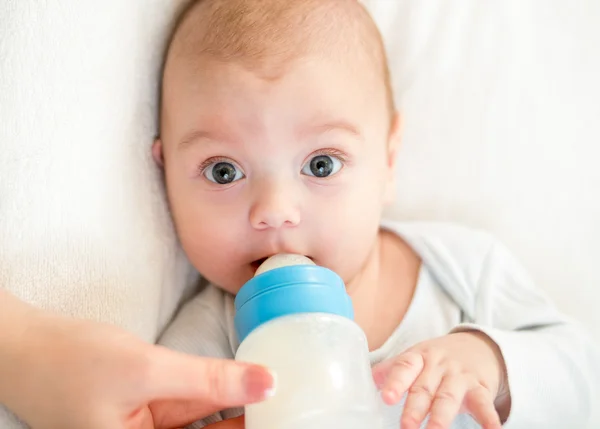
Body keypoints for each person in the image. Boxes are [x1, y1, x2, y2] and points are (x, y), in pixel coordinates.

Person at [153, 0, 600, 429]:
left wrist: (491, 364)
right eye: (224, 171)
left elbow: (584, 380)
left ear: (388, 162)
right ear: (165, 171)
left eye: (321, 165)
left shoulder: (461, 269)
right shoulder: (200, 356)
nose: (275, 211)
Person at [0, 289, 272, 429]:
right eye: (223, 177)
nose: (276, 211)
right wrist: (23, 345)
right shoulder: (207, 322)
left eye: (317, 176)